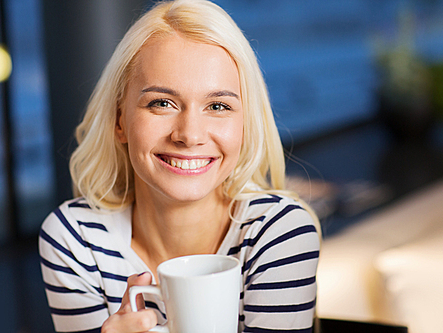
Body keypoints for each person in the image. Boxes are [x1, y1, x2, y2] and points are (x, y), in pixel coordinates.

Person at [39, 0, 321, 332]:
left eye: (217, 105)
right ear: (119, 119)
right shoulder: (75, 239)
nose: (189, 135)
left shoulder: (278, 233)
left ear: (246, 124)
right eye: (161, 103)